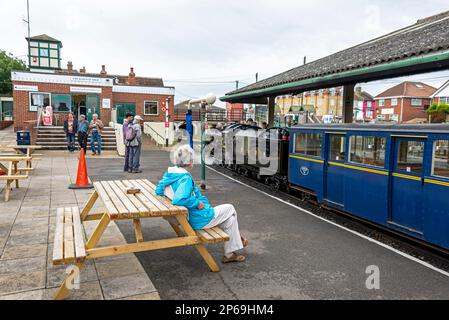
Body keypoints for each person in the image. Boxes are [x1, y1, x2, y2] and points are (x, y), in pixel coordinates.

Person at [156, 145, 248, 263]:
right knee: (231, 208)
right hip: (200, 218)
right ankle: (237, 242)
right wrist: (196, 202)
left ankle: (230, 253)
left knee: (230, 220)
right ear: (189, 162)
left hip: (192, 216)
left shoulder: (171, 174)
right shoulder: (185, 178)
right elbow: (179, 199)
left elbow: (159, 190)